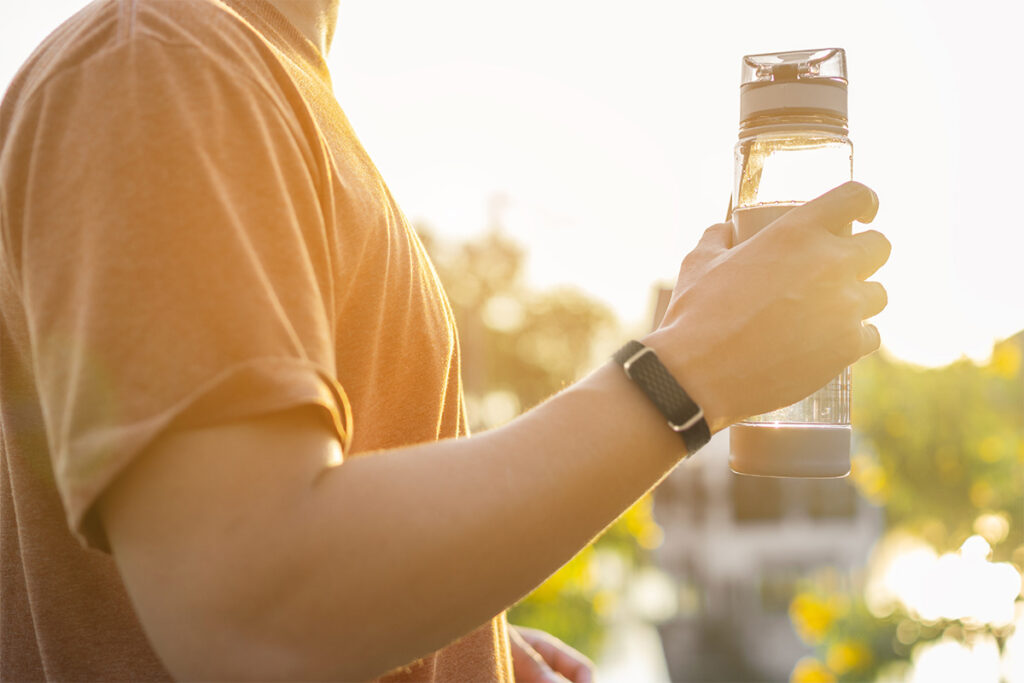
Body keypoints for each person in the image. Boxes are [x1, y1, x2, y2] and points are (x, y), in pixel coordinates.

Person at [0, 0, 890, 680]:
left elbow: (278, 553)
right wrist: (685, 377)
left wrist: (464, 642)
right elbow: (250, 606)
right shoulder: (162, 68)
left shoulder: (258, 75)